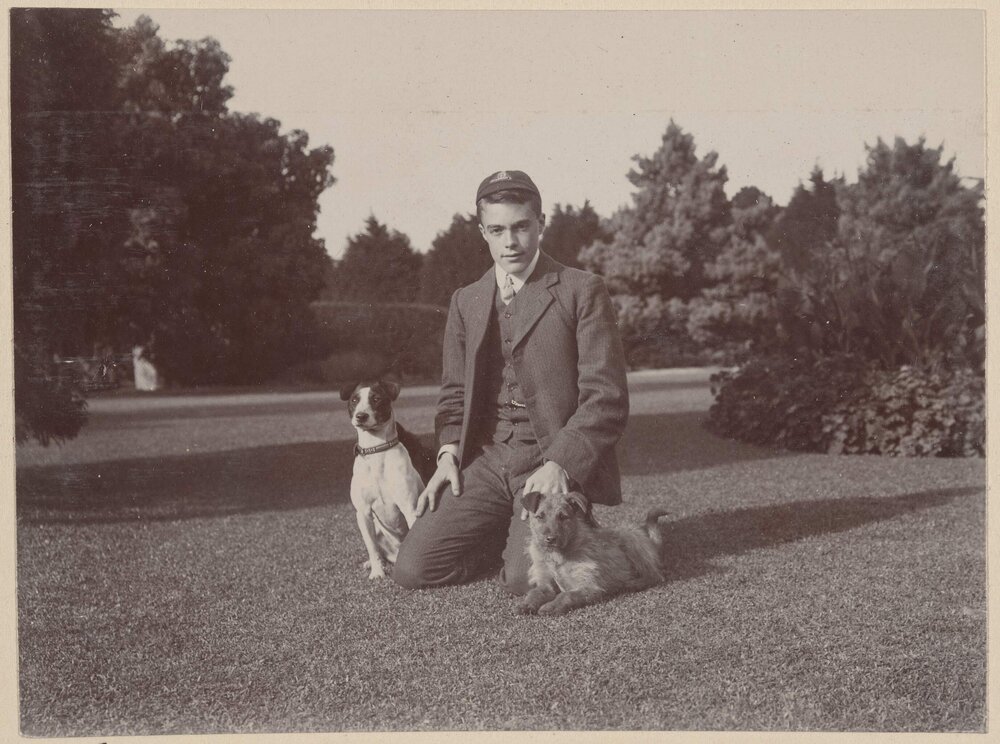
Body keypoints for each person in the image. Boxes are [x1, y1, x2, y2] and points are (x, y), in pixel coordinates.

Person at [392, 169, 629, 594]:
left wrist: (560, 463)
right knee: (412, 571)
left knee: (523, 582)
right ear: (482, 231)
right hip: (486, 459)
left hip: (548, 460)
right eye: (497, 230)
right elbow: (453, 393)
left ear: (541, 223)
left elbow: (606, 398)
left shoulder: (581, 289)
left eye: (521, 227)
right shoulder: (467, 299)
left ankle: (541, 534)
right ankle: (498, 534)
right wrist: (447, 454)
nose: (511, 242)